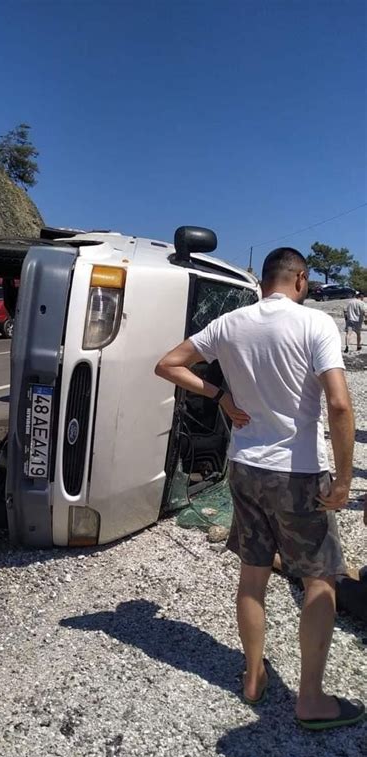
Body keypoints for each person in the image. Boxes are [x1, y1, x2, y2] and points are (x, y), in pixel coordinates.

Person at [155, 247, 364, 730]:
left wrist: (220, 395)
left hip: (244, 466)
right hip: (298, 471)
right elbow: (339, 405)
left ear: (265, 279)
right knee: (319, 578)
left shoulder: (231, 323)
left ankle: (253, 676)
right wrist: (346, 477)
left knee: (253, 575)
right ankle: (310, 699)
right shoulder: (315, 326)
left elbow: (168, 364)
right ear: (300, 279)